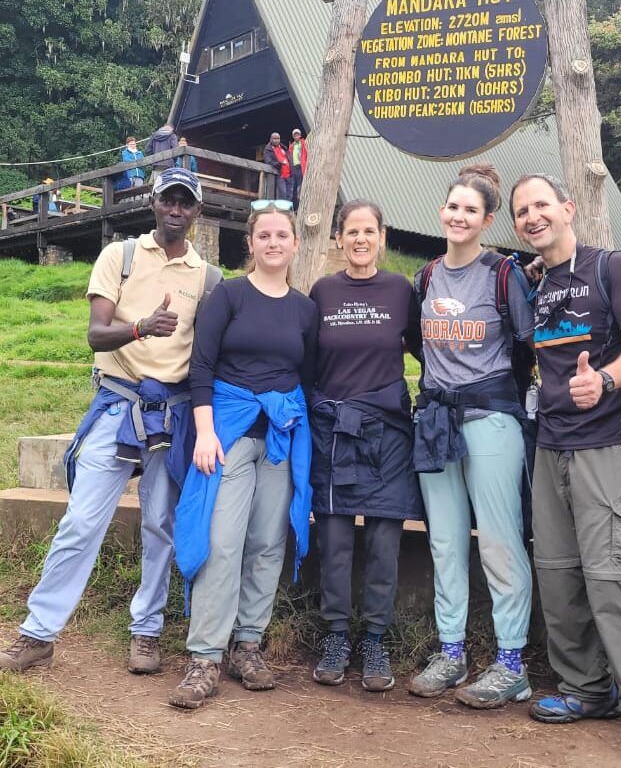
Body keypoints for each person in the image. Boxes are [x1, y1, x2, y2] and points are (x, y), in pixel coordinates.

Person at [0, 168, 214, 676]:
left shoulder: (206, 276)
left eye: (186, 203)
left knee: (162, 524)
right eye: (168, 201)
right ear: (154, 205)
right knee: (82, 521)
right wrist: (140, 327)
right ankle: (38, 634)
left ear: (197, 212)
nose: (176, 210)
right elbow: (95, 334)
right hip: (118, 405)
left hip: (172, 414)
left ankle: (147, 631)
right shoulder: (121, 256)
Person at [510, 174, 621, 765]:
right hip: (552, 446)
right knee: (558, 574)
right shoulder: (540, 282)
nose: (532, 217)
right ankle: (587, 690)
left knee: (618, 580)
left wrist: (605, 379)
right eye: (521, 211)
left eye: (541, 205)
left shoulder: (614, 268)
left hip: (612, 447)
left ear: (568, 207)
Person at [169, 201, 318, 710]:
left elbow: (310, 378)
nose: (274, 243)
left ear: (295, 244)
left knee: (268, 543)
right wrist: (205, 433)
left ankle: (248, 644)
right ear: (250, 244)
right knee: (223, 540)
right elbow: (201, 367)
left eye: (283, 235)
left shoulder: (304, 309)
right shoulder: (228, 296)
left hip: (280, 437)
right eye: (265, 236)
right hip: (228, 432)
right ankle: (205, 655)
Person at [406, 166, 535, 709]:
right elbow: (418, 342)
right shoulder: (428, 275)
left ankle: (511, 662)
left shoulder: (503, 274)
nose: (458, 217)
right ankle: (451, 651)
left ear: (487, 219)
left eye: (470, 210)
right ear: (442, 211)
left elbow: (527, 347)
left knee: (501, 542)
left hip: (491, 419)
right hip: (436, 419)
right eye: (452, 207)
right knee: (445, 541)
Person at [308, 200, 423, 692]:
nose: (359, 239)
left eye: (368, 231)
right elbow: (307, 360)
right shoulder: (323, 291)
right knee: (333, 539)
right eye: (351, 231)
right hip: (334, 431)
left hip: (387, 433)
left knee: (383, 540)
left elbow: (427, 347)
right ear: (339, 238)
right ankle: (336, 633)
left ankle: (375, 639)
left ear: (382, 236)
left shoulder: (401, 290)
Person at [263, 132, 292, 202]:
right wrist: (280, 163)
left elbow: (290, 159)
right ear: (271, 139)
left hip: (289, 174)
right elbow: (269, 161)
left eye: (278, 138)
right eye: (274, 138)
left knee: (290, 194)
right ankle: (283, 211)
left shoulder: (283, 147)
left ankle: (289, 211)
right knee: (283, 194)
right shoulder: (268, 150)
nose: (276, 140)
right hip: (279, 174)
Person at [288, 128, 308, 211]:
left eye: (297, 134)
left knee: (300, 187)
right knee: (293, 188)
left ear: (300, 135)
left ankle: (300, 207)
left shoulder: (304, 143)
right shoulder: (292, 146)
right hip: (293, 168)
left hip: (301, 167)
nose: (296, 136)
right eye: (295, 135)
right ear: (293, 136)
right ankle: (293, 207)